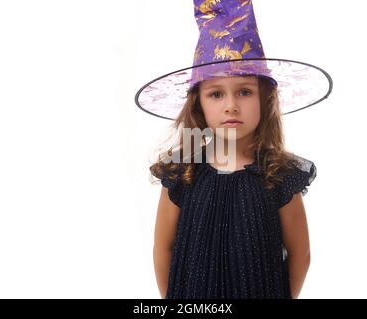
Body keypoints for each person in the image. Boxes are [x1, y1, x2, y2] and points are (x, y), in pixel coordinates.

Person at [135, 0, 332, 299]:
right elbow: (163, 247)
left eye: (244, 91)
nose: (231, 105)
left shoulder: (278, 175)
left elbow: (300, 253)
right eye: (216, 94)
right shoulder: (182, 172)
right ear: (198, 104)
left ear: (264, 99)